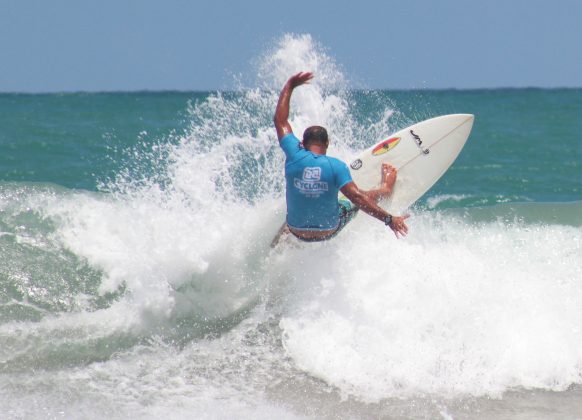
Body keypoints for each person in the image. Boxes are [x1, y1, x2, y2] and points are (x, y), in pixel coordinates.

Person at [273, 71, 409, 243]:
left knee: (295, 212)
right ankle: (384, 189)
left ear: (302, 143)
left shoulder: (293, 154)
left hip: (296, 230)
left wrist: (290, 85)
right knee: (352, 199)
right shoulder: (336, 166)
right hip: (328, 230)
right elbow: (358, 198)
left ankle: (280, 241)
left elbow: (280, 121)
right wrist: (389, 219)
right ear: (327, 143)